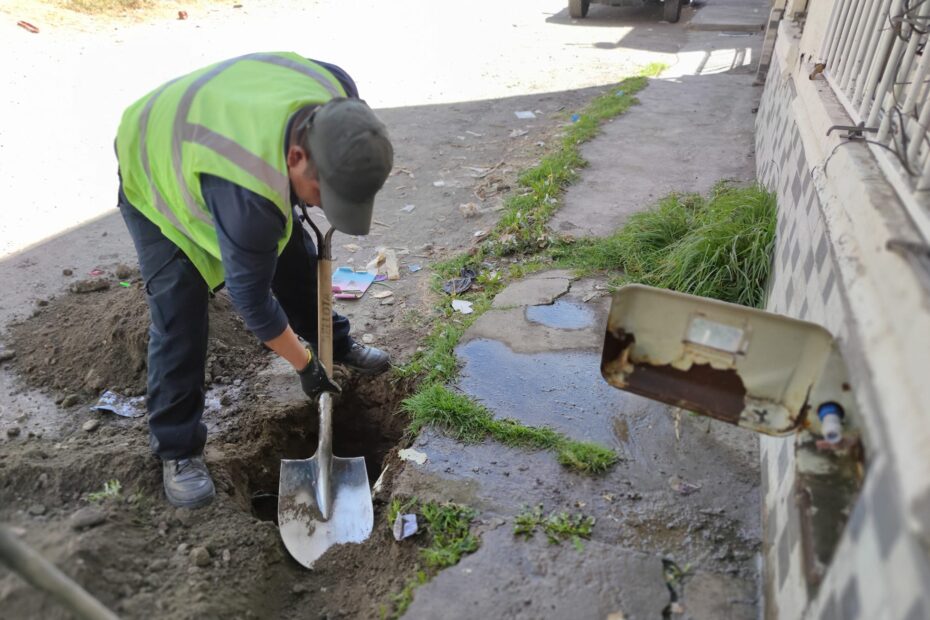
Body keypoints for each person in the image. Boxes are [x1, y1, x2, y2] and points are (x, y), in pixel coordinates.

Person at [114, 52, 394, 509]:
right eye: (325, 194)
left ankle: (337, 346)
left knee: (295, 258)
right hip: (156, 159)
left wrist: (321, 350)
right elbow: (252, 301)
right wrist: (305, 365)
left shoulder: (336, 92)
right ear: (296, 156)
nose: (327, 207)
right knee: (179, 310)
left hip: (223, 132)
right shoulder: (249, 197)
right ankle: (178, 449)